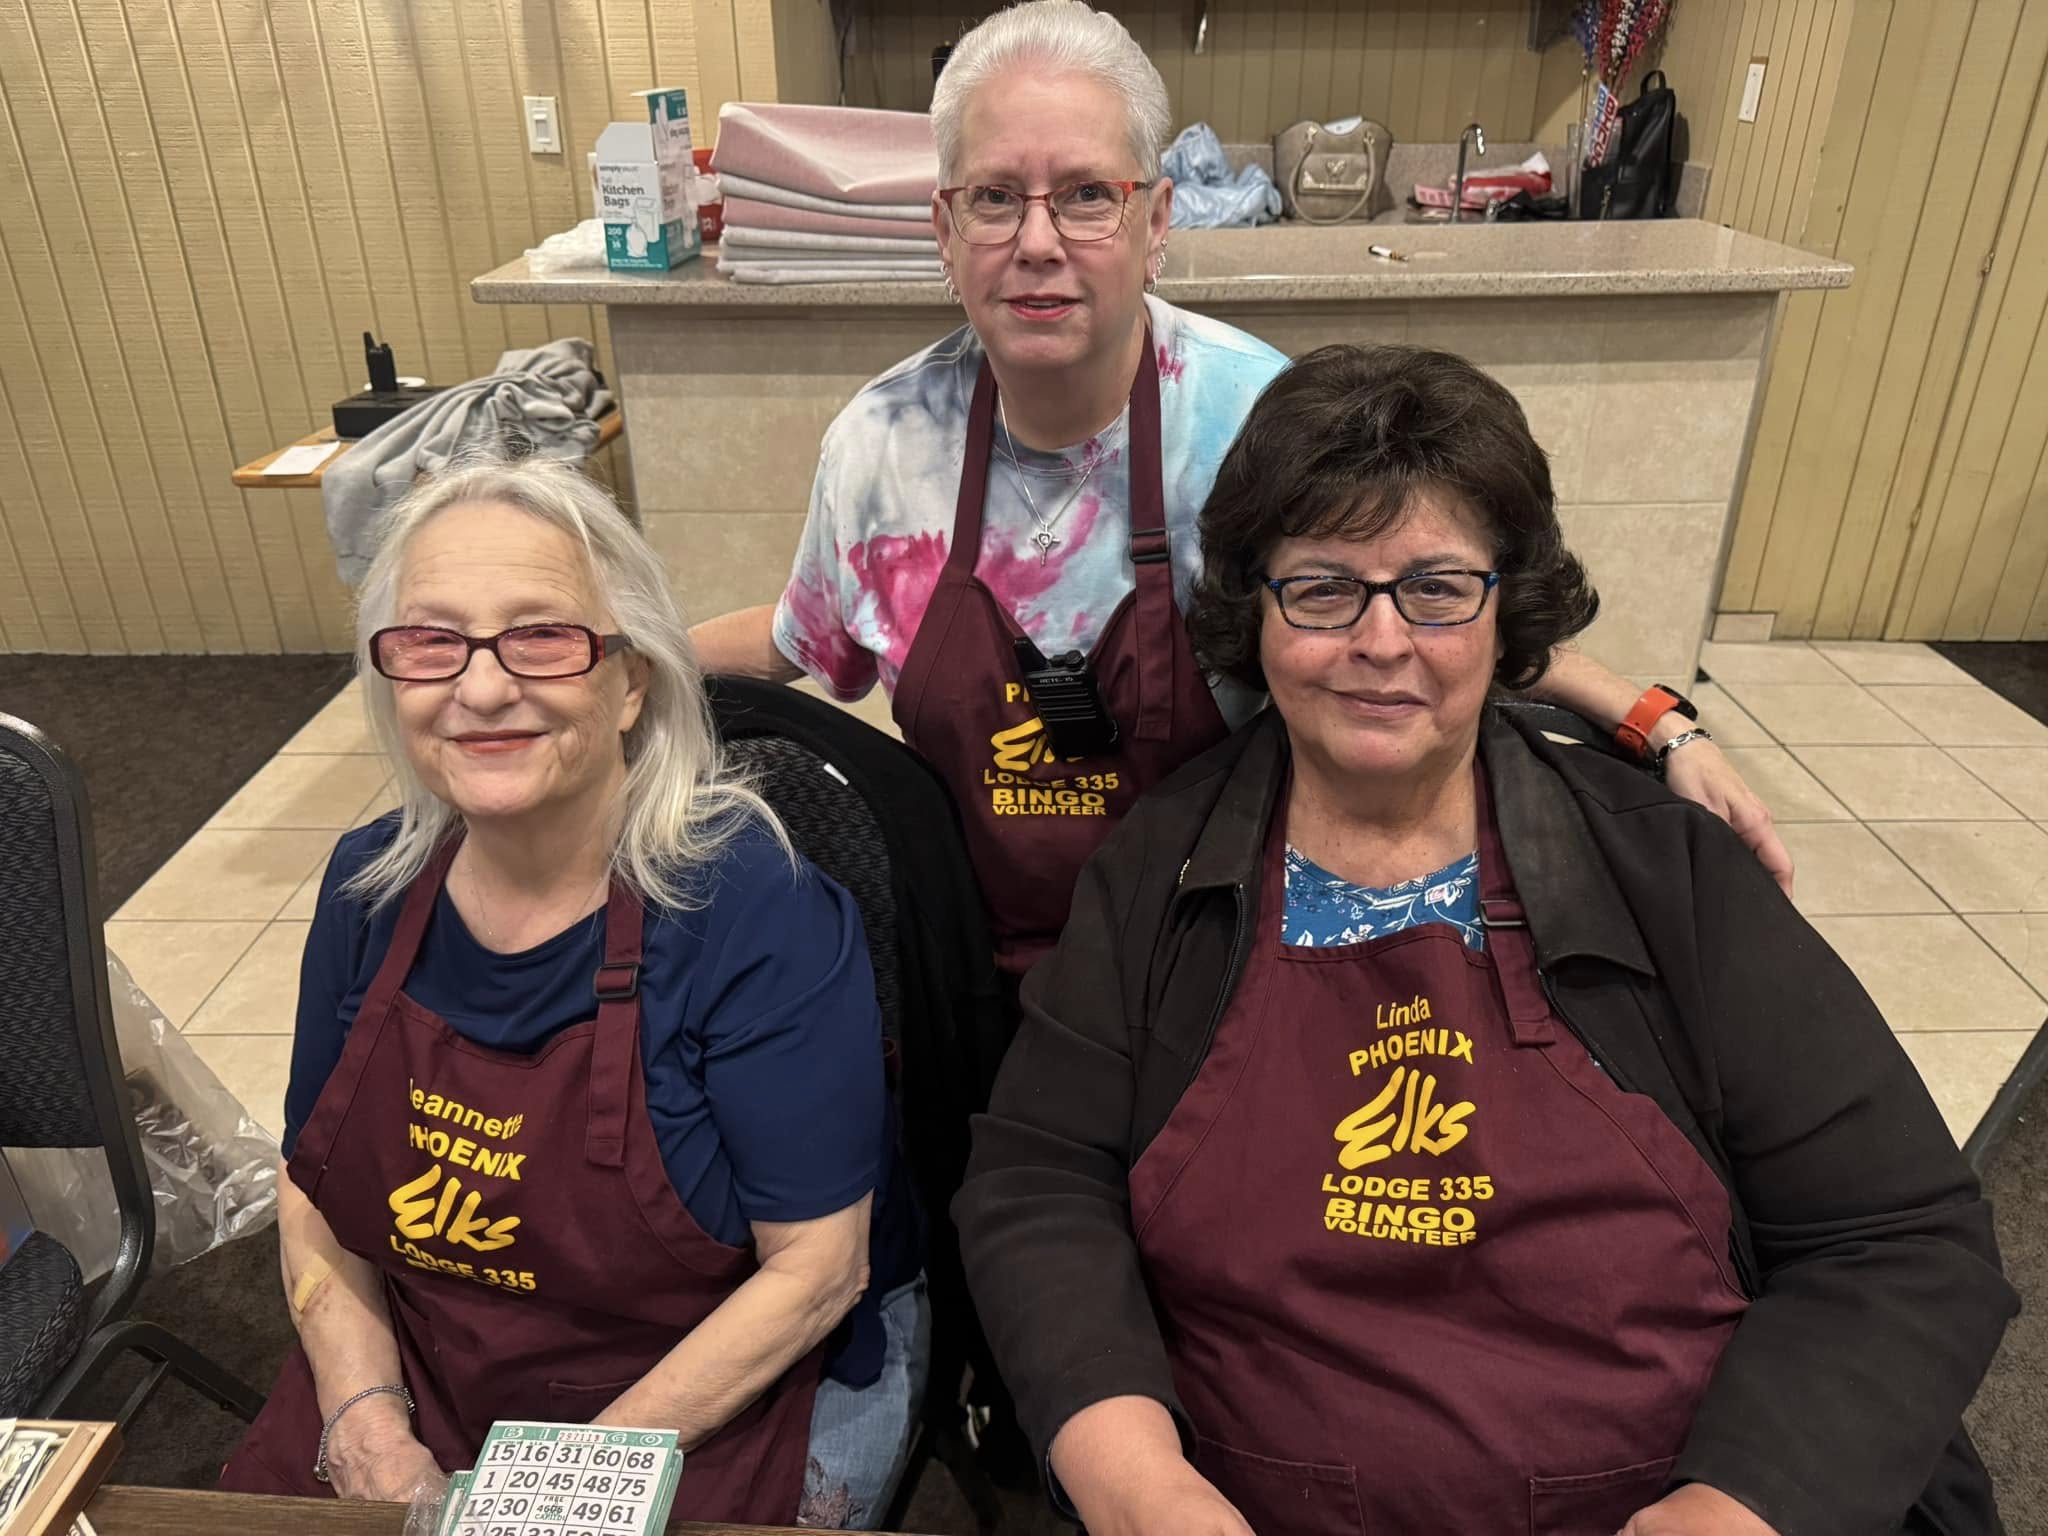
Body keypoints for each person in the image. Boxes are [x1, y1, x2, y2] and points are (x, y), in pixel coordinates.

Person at [953, 346, 2017, 1536]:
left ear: (1507, 610)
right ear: (1250, 609)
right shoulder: (1158, 871)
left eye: (1434, 587)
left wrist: (1729, 1512)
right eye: (1321, 587)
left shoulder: (1665, 871)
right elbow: (1037, 1185)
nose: (1379, 639)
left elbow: (1895, 1240)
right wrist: (1138, 1487)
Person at [690, 0, 1793, 986]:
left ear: (1157, 219)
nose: (1035, 242)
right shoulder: (881, 446)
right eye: (992, 198)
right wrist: (599, 644)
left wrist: (1655, 722)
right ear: (942, 227)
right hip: (964, 960)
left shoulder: (1254, 418)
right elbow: (800, 639)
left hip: (1215, 953)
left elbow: (1423, 612)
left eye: (1086, 195)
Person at [220, 457, 926, 1531]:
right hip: (439, 1366)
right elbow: (314, 1185)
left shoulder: (754, 911)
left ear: (630, 678)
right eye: (432, 640)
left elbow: (815, 1275)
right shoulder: (370, 889)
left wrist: (544, 1496)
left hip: (703, 1390)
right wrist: (363, 1415)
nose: (483, 685)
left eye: (541, 634)